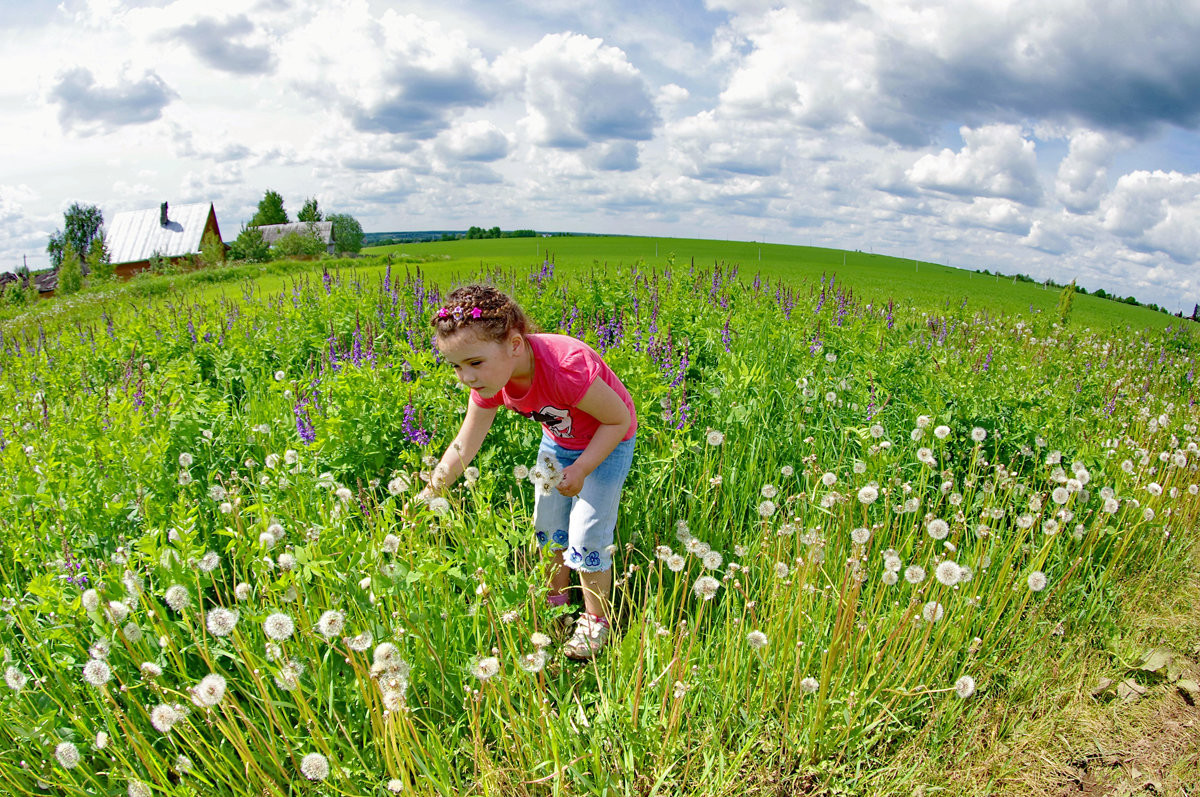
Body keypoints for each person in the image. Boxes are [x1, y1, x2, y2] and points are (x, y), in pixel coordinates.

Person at [418, 284, 637, 660]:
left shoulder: (565, 369)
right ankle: (556, 605)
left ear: (515, 345)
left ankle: (595, 621)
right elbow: (466, 441)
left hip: (608, 440)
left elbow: (618, 420)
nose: (466, 377)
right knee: (548, 523)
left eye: (474, 362)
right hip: (559, 442)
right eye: (456, 366)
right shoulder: (490, 382)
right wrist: (434, 488)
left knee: (587, 532)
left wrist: (583, 468)